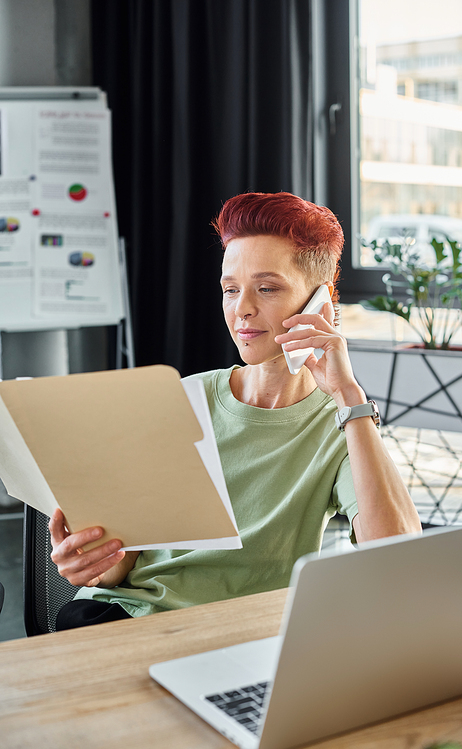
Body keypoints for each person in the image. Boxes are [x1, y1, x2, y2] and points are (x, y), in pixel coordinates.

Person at [50, 192, 421, 630]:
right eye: (230, 289)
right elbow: (126, 566)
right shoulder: (182, 398)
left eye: (266, 288)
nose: (242, 309)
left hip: (242, 634)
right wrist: (93, 563)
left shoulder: (341, 423)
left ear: (321, 302)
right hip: (122, 617)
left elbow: (399, 557)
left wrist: (348, 395)